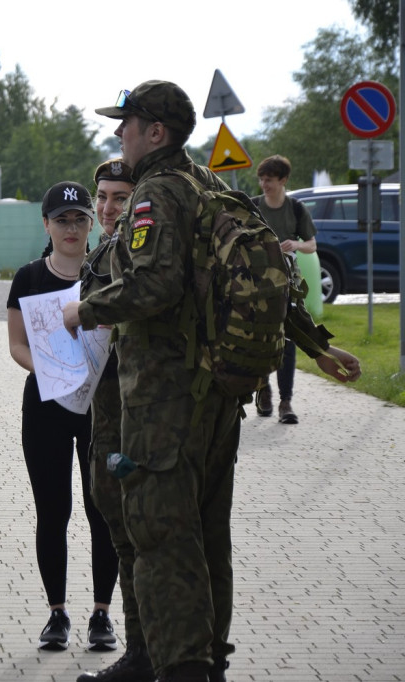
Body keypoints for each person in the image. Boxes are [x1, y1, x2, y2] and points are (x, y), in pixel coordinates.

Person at [62, 80, 362, 682]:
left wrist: (83, 311)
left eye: (128, 123)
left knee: (162, 536)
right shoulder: (211, 185)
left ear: (156, 132)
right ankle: (204, 662)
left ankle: (181, 669)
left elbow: (155, 285)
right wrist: (318, 348)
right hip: (218, 395)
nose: (119, 132)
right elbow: (258, 274)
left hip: (163, 401)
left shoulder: (157, 193)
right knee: (205, 534)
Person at [6, 180, 119, 653]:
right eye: (61, 220)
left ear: (90, 223)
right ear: (46, 224)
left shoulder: (111, 272)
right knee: (53, 511)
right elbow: (16, 345)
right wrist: (51, 371)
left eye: (79, 219)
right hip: (47, 405)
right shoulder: (30, 277)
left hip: (104, 408)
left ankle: (101, 615)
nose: (71, 229)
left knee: (104, 512)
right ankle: (56, 613)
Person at [77, 160, 156, 682]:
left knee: (134, 535)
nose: (108, 208)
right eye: (102, 196)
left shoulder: (138, 253)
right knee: (118, 528)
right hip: (102, 410)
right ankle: (145, 652)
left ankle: (145, 655)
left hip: (132, 415)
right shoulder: (104, 250)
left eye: (120, 197)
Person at [251, 154, 317, 424]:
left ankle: (286, 402)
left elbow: (312, 244)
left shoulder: (296, 209)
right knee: (258, 339)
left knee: (288, 340)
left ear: (283, 180)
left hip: (288, 284)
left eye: (269, 180)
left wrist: (295, 244)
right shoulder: (253, 207)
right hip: (256, 284)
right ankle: (263, 389)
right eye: (262, 179)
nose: (264, 184)